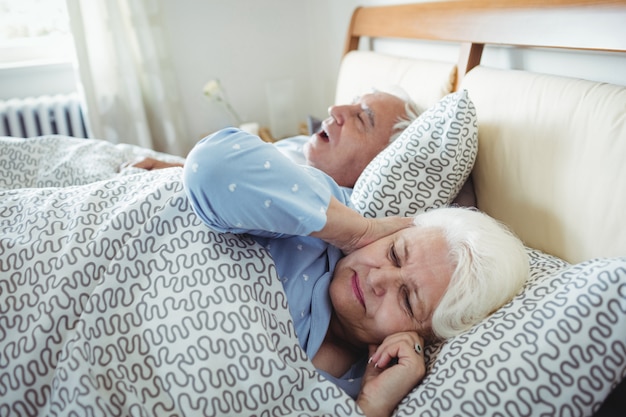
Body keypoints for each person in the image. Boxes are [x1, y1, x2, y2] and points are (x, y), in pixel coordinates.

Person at [183, 128, 529, 417]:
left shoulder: (363, 383)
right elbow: (210, 167)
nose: (378, 279)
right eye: (395, 253)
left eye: (407, 298)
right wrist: (356, 231)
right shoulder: (321, 223)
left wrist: (369, 406)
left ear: (424, 336)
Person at [129, 89, 421, 188]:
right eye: (352, 102)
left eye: (361, 118)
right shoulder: (299, 150)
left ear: (383, 162)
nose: (335, 109)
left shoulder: (328, 203)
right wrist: (173, 169)